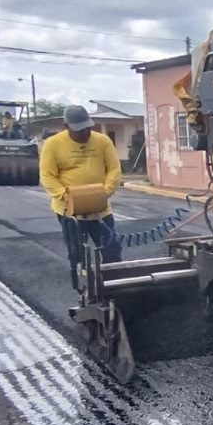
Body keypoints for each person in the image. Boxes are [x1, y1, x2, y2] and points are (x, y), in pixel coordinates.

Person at [39, 105, 122, 288]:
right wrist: (67, 196)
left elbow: (114, 169)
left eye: (88, 127)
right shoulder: (53, 145)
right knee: (77, 253)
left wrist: (105, 192)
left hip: (100, 210)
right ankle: (83, 289)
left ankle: (115, 286)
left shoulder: (102, 141)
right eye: (79, 129)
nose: (85, 132)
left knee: (112, 248)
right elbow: (47, 176)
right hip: (70, 212)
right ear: (66, 126)